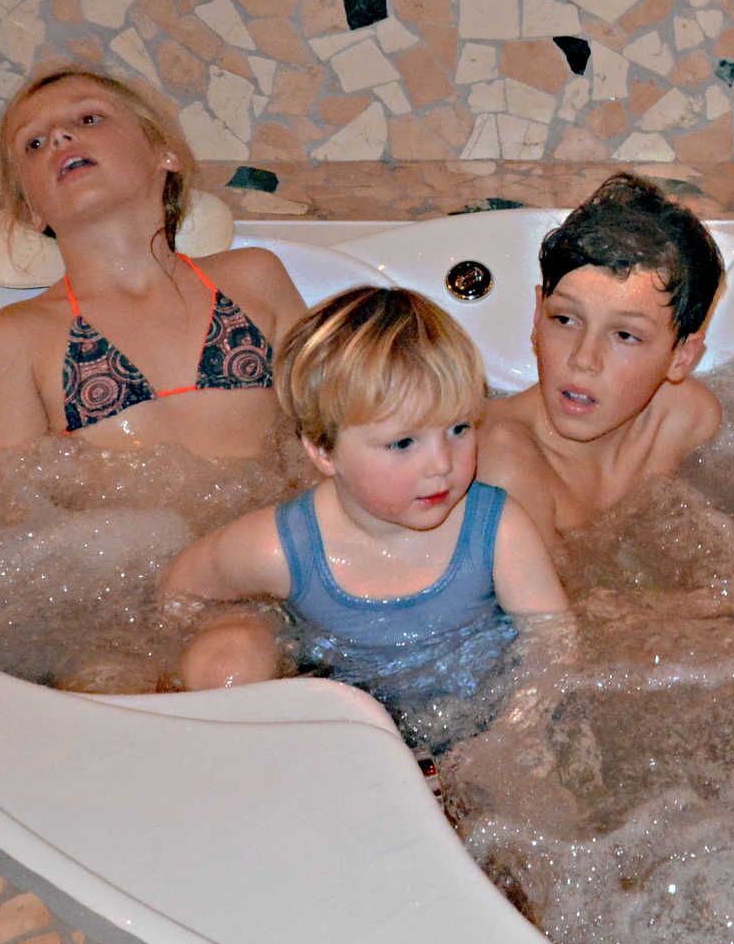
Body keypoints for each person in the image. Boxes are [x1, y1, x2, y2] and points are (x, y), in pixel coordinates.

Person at [161, 287, 565, 746]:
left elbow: (553, 646)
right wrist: (250, 632)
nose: (441, 464)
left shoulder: (497, 529)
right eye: (404, 443)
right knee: (221, 666)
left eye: (458, 429)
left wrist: (511, 736)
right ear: (324, 451)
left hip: (481, 724)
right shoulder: (282, 548)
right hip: (349, 737)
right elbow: (184, 588)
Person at [0, 66, 306, 461]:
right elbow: (10, 496)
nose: (59, 136)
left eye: (88, 119)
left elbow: (332, 428)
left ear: (165, 153)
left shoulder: (255, 279)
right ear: (30, 209)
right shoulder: (12, 340)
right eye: (35, 143)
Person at [479, 174, 727, 536]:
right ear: (537, 315)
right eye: (565, 319)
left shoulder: (681, 417)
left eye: (625, 335)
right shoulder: (504, 462)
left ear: (682, 356)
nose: (584, 359)